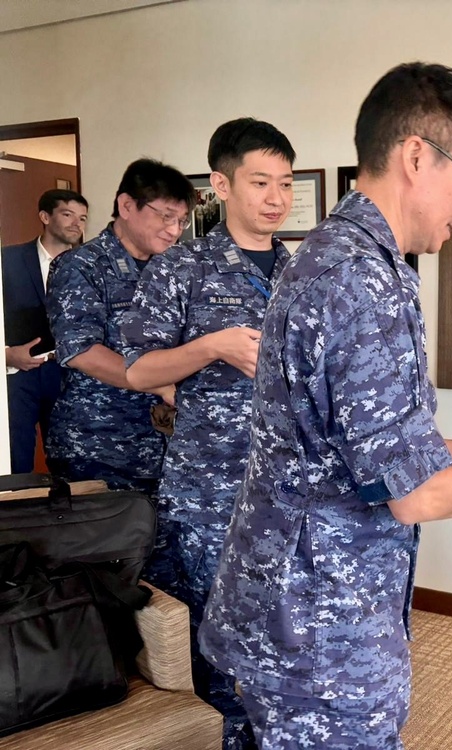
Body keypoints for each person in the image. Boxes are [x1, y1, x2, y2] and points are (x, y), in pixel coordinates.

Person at [199, 62, 452, 749]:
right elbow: (412, 496)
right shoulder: (365, 282)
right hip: (320, 635)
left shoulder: (331, 255)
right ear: (417, 155)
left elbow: (372, 448)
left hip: (284, 609)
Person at [121, 117, 297, 750]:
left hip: (291, 495)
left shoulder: (302, 273)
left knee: (287, 642)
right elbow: (139, 370)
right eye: (260, 182)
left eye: (285, 183)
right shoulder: (181, 269)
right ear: (221, 185)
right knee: (223, 654)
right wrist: (211, 346)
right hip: (212, 492)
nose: (276, 198)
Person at [45, 158, 194, 493]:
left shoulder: (177, 268)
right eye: (166, 216)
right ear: (127, 206)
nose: (173, 230)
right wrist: (158, 384)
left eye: (182, 221)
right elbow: (81, 351)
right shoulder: (81, 266)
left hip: (170, 448)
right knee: (108, 546)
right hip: (100, 448)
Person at [3, 188, 88, 473]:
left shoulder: (92, 267)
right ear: (45, 217)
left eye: (83, 218)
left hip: (72, 375)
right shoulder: (8, 261)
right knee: (17, 458)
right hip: (19, 376)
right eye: (68, 215)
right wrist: (6, 355)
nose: (77, 223)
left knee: (71, 460)